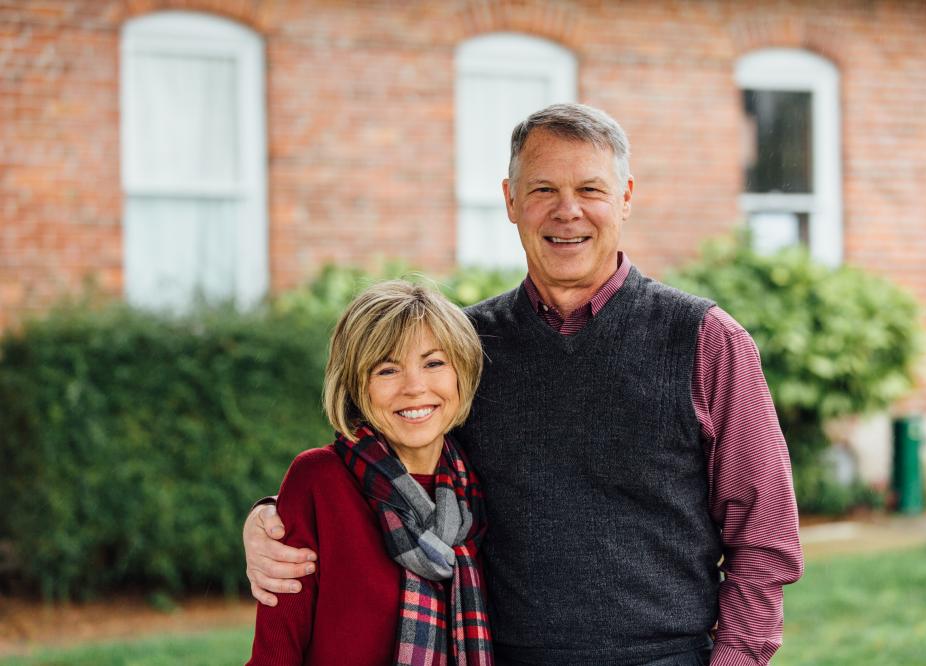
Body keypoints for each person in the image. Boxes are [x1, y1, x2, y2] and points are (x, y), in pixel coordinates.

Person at [244, 104, 804, 666]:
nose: (567, 212)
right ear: (511, 201)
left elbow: (766, 539)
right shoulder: (464, 346)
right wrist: (273, 519)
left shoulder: (706, 340)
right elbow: (375, 468)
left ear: (626, 197)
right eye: (542, 190)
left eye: (591, 189)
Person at [246, 280, 493, 665]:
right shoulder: (319, 480)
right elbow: (275, 653)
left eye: (434, 363)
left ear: (462, 373)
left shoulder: (476, 488)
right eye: (387, 370)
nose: (414, 387)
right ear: (356, 386)